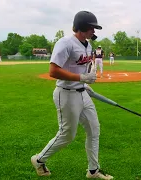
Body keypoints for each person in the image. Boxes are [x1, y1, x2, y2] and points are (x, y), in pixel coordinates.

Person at [30, 10, 114, 180]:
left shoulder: (88, 45)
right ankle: (39, 160)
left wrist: (84, 83)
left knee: (94, 129)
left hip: (82, 93)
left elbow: (82, 67)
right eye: (91, 28)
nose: (94, 31)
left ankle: (93, 171)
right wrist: (81, 78)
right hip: (66, 94)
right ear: (82, 27)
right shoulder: (65, 43)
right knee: (67, 134)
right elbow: (53, 71)